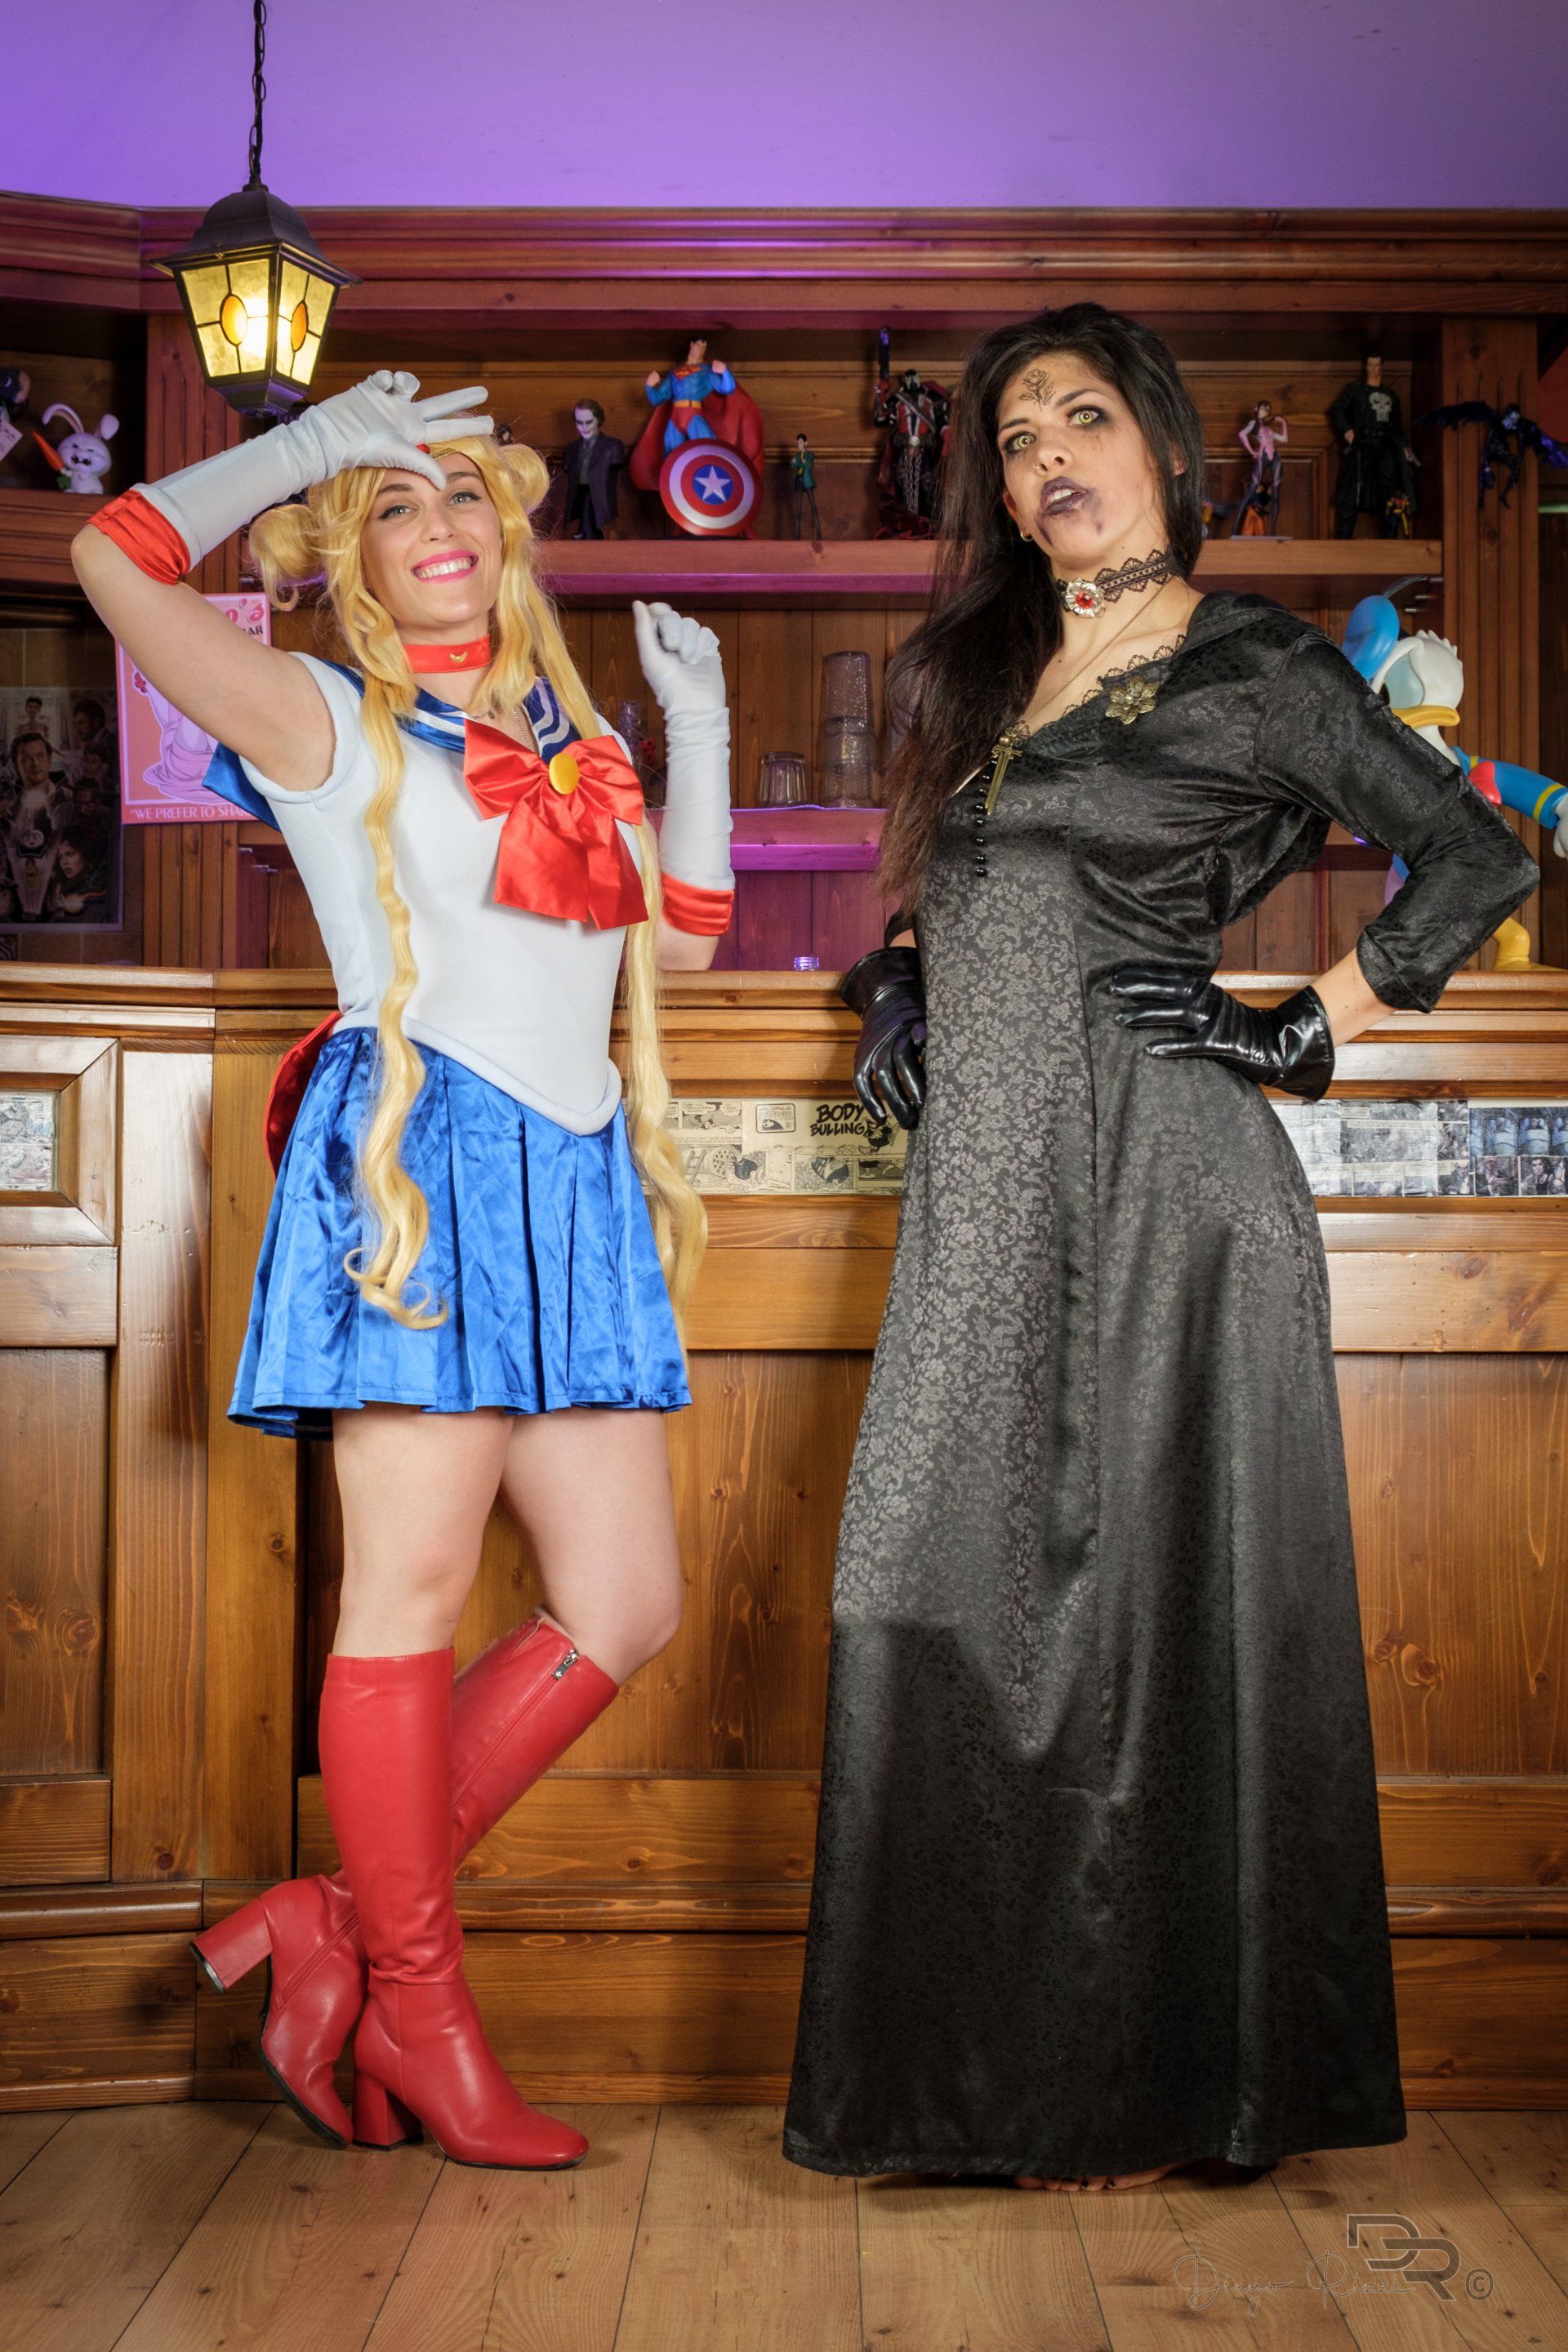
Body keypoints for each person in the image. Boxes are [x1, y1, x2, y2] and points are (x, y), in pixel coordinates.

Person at [783, 302, 1539, 2194]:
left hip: (1173, 1188)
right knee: (923, 1591)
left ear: (1164, 447)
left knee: (1166, 1629)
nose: (1048, 454)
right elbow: (972, 901)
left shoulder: (1257, 661)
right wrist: (895, 984)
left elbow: (1478, 854)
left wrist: (1302, 1025)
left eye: (1083, 416)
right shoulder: (987, 669)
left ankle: (1177, 2090)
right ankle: (978, 2086)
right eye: (1016, 434)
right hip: (989, 1198)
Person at [72, 369, 737, 2172]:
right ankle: (424, 2018)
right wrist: (311, 444)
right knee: (408, 1596)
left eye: (460, 499)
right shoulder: (317, 718)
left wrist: (700, 727)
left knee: (626, 1602)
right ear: (351, 559)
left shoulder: (573, 751)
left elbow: (685, 937)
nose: (437, 525)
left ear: (508, 538)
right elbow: (113, 558)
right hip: (420, 1169)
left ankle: (332, 1926)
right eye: (394, 504)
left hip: (577, 1185)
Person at [562, 399, 625, 540]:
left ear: (598, 420)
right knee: (584, 504)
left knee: (591, 504)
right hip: (579, 493)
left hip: (601, 497)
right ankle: (584, 529)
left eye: (589, 422)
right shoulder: (571, 449)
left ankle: (591, 530)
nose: (584, 427)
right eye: (579, 422)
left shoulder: (612, 446)